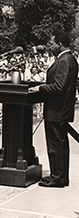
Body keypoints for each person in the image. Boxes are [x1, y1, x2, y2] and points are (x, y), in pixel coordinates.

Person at [29, 31, 79, 187]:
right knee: (61, 144)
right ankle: (61, 176)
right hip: (61, 109)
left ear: (60, 44)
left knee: (55, 144)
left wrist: (41, 89)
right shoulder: (68, 58)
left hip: (57, 110)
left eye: (52, 43)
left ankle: (57, 177)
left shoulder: (64, 60)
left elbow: (59, 87)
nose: (49, 46)